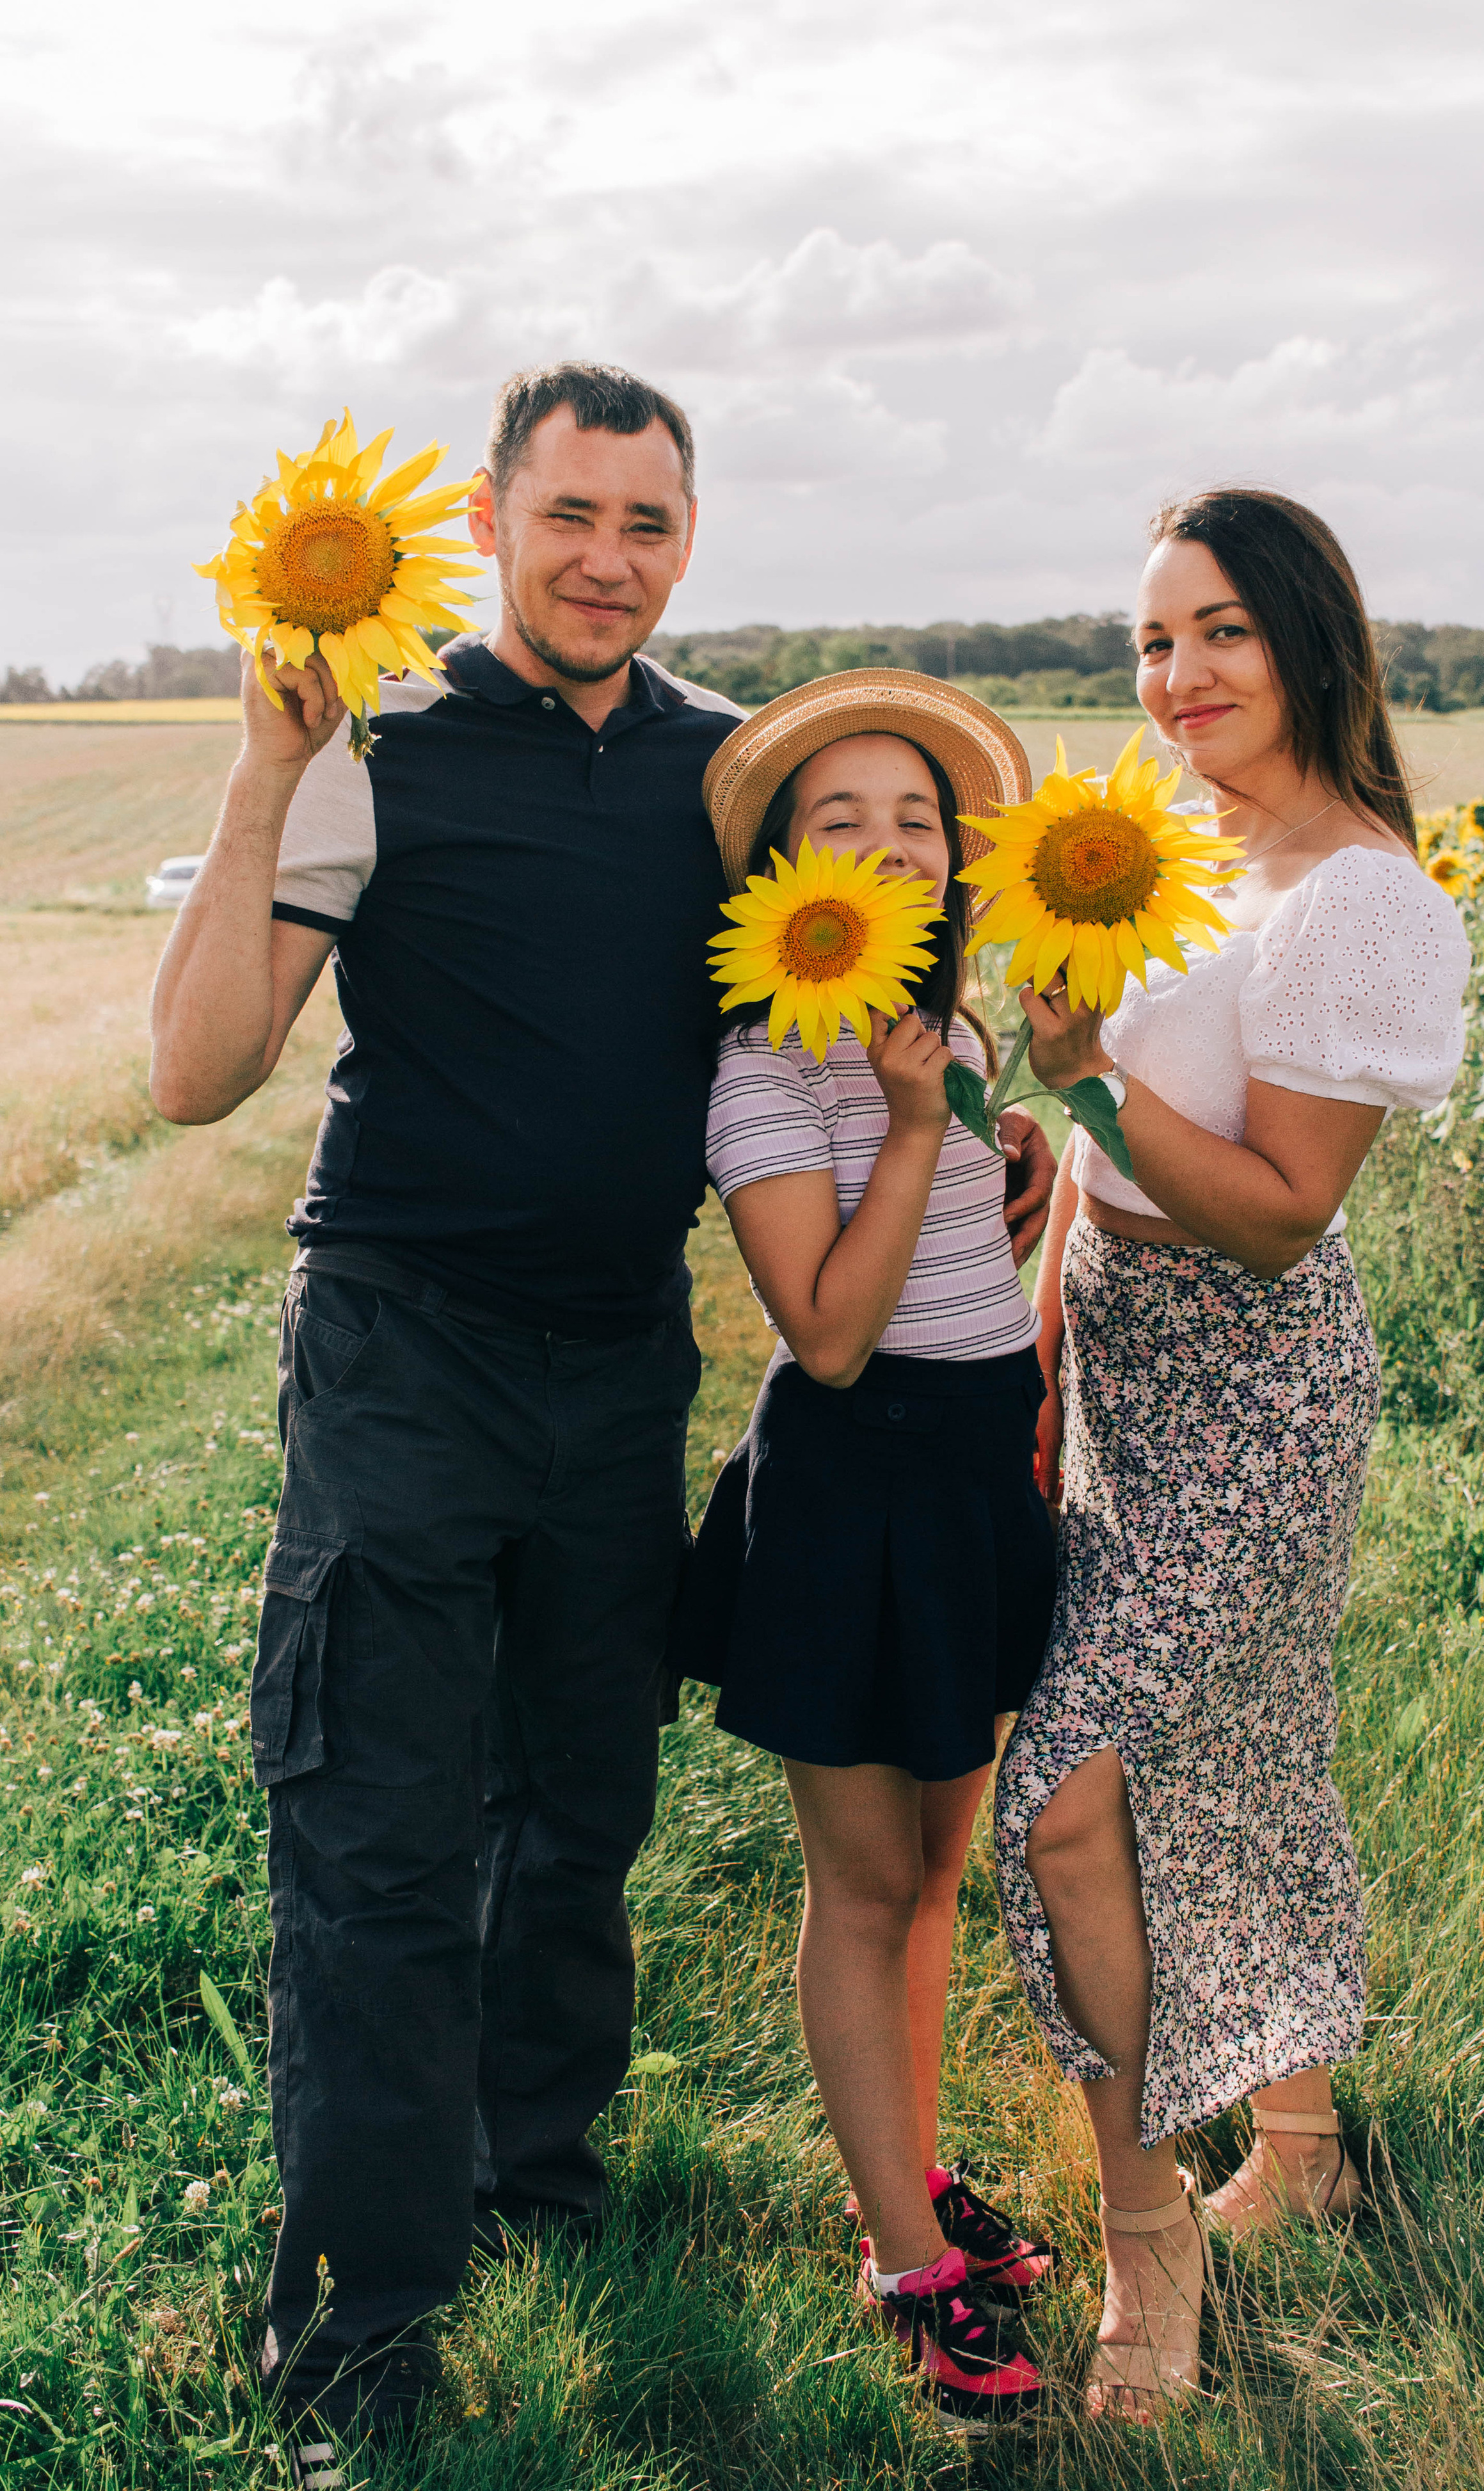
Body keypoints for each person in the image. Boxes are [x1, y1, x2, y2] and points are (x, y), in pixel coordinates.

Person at [147, 364, 1057, 2463]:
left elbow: (853, 989)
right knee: (379, 1831)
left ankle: (533, 2184)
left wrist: (986, 1134)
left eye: (648, 523)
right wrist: (265, 771)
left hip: (620, 1357)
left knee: (579, 1809)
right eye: (570, 513)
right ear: (487, 518)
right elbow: (194, 1075)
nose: (606, 559)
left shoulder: (720, 780)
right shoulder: (379, 747)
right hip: (404, 1343)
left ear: (688, 540)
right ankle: (364, 2323)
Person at [991, 488, 1471, 2421]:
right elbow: (1095, 1159)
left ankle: (1152, 2251)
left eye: (1219, 634)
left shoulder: (1361, 900)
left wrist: (1090, 1079)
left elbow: (1279, 1212)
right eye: (1152, 641)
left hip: (1255, 1387)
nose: (1176, 676)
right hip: (1117, 1351)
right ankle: (1306, 2142)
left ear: (1306, 641)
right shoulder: (1178, 850)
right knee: (1239, 1748)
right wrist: (1044, 1334)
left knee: (1066, 1793)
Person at [670, 673, 1061, 2434]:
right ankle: (906, 2260)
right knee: (864, 1884)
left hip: (971, 1478)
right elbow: (828, 1332)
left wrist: (997, 1147)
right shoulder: (768, 1064)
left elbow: (958, 1255)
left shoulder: (946, 1037)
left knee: (939, 1869)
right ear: (785, 870)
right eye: (844, 821)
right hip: (852, 1489)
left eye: (919, 819)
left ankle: (904, 2168)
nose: (891, 847)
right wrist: (914, 1135)